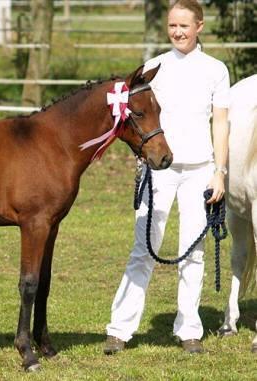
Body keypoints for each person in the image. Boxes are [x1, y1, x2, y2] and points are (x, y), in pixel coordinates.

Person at [104, 0, 230, 355]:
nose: (177, 32)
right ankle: (120, 329)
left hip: (199, 169)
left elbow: (220, 123)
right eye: (172, 26)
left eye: (184, 26)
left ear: (199, 27)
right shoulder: (153, 67)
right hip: (158, 170)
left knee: (194, 252)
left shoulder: (215, 70)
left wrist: (219, 172)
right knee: (144, 249)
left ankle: (189, 328)